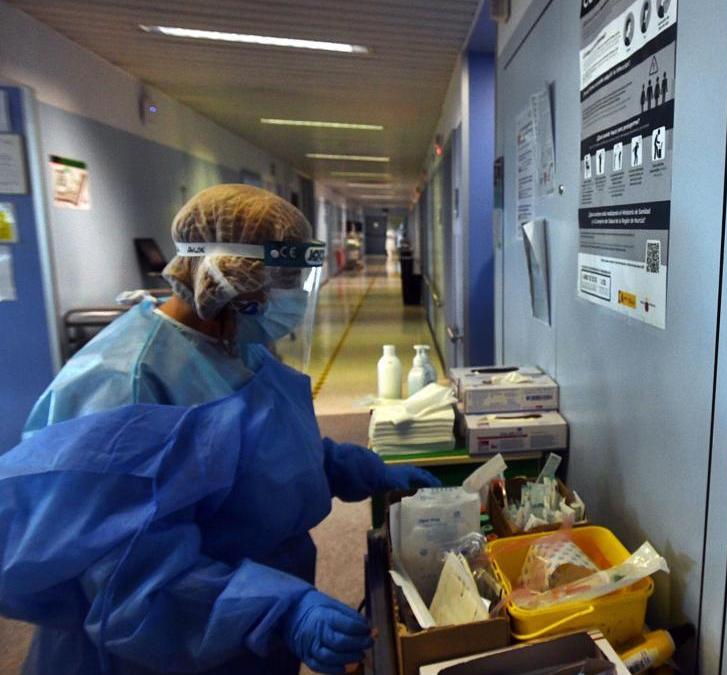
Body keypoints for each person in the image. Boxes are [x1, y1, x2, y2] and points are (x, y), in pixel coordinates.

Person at [0, 185, 439, 674]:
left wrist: (338, 464)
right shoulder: (125, 381)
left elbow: (249, 450)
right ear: (236, 279)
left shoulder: (234, 343)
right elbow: (129, 579)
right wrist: (282, 610)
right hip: (161, 648)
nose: (291, 298)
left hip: (243, 634)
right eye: (284, 281)